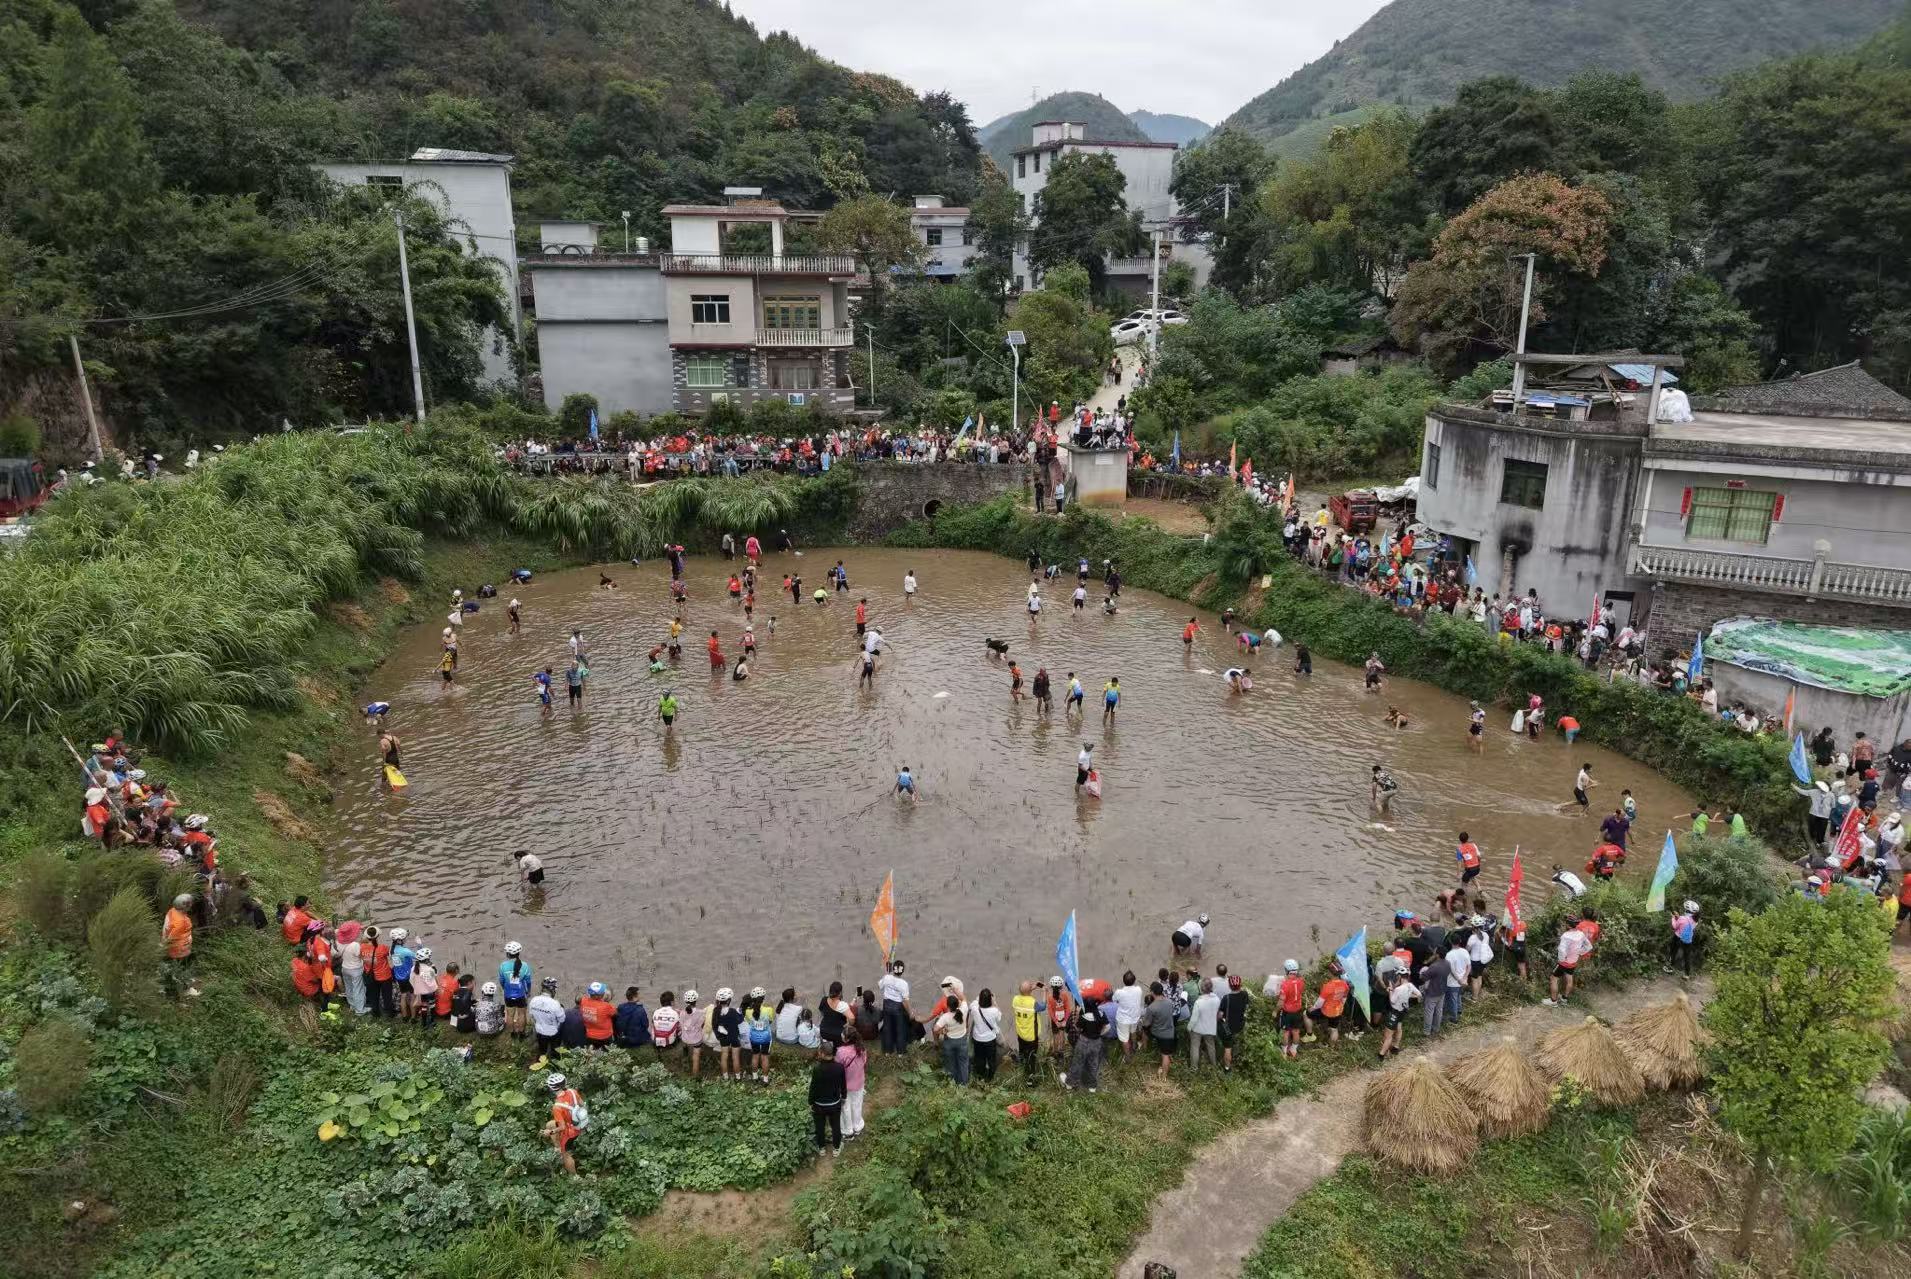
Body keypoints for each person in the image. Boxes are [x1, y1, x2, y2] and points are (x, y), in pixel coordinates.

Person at [1065, 990, 1109, 1091]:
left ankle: (1070, 1083)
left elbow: (1077, 1028)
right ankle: (1092, 1086)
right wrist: (1099, 1033)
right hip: (1097, 1042)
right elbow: (1108, 1027)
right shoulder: (1101, 1014)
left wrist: (1076, 1017)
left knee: (1077, 1062)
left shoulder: (1084, 1017)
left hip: (1083, 1042)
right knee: (1093, 1064)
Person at [809, 1044, 847, 1155]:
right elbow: (843, 1085)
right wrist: (843, 1097)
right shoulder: (839, 1068)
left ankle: (822, 1149)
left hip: (819, 1105)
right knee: (835, 1126)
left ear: (822, 1053)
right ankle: (836, 1148)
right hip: (834, 1103)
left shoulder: (817, 1069)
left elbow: (813, 1088)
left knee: (819, 1127)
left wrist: (810, 1102)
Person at [1544, 918, 1591, 1005]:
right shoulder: (1581, 934)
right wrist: (1579, 952)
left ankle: (1553, 1001)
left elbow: (1562, 950)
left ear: (1568, 925)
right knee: (1569, 979)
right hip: (1573, 962)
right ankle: (1564, 999)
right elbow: (1589, 946)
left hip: (1564, 962)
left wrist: (1561, 960)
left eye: (1566, 924)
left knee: (1553, 978)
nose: (1565, 925)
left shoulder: (1566, 936)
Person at [545, 1072, 585, 1175]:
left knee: (566, 1155)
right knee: (550, 1124)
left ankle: (574, 1177)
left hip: (571, 1131)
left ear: (551, 1088)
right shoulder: (573, 1092)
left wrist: (550, 1132)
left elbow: (562, 1127)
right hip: (582, 1123)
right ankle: (557, 1147)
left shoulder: (557, 1107)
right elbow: (582, 1104)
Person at [162, 893, 200, 998]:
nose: (191, 906)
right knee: (183, 969)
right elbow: (172, 937)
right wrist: (164, 946)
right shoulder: (181, 921)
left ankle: (176, 985)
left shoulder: (172, 911)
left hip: (176, 949)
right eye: (190, 904)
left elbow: (168, 932)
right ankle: (185, 989)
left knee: (175, 969)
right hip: (179, 951)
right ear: (185, 906)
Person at [836, 1025, 868, 1138]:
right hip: (859, 1082)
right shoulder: (862, 1048)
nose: (841, 1035)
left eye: (843, 1034)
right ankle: (857, 1126)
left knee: (845, 1107)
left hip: (845, 1085)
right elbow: (864, 1063)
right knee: (857, 1104)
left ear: (846, 1038)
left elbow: (838, 1068)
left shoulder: (840, 1052)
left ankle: (847, 1130)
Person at [1141, 980, 1177, 1078]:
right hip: (1170, 1032)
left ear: (1152, 992)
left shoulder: (1151, 1007)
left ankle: (1144, 1050)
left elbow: (1146, 1024)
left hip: (1158, 1033)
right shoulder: (1169, 1002)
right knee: (1166, 1054)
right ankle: (1164, 1076)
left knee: (1144, 1031)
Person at [1309, 962, 1352, 1045]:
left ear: (1330, 973)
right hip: (1338, 1010)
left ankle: (1309, 1035)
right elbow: (1344, 998)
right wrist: (1341, 1005)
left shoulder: (1328, 986)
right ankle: (1331, 1045)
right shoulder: (1345, 984)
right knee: (1334, 1029)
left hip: (1326, 1011)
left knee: (1306, 1014)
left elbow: (1319, 1003)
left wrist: (1313, 1008)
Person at [500, 941, 534, 1039]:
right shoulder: (525, 965)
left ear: (507, 954)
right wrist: (528, 992)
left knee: (510, 1015)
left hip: (508, 995)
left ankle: (513, 1034)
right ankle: (522, 1035)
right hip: (521, 995)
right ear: (519, 953)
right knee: (522, 1014)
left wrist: (504, 988)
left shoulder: (503, 966)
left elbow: (501, 980)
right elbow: (528, 982)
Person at [1186, 978, 1221, 1073]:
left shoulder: (1199, 1002)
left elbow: (1193, 1019)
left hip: (1197, 1029)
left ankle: (1194, 1068)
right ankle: (1214, 1066)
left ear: (1201, 989)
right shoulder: (1217, 1000)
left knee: (1195, 1047)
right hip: (1210, 1028)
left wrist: (1189, 1028)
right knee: (1211, 1046)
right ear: (1211, 988)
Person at [878, 960, 912, 1055]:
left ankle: (887, 1051)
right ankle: (900, 1052)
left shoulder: (887, 977)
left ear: (893, 969)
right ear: (902, 971)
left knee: (887, 1028)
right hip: (897, 1007)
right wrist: (910, 1012)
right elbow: (905, 1001)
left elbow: (879, 986)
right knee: (900, 1029)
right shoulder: (904, 984)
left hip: (887, 1005)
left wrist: (886, 975)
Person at [933, 999, 971, 1085]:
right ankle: (964, 1084)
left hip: (950, 1042)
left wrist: (942, 1032)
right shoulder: (963, 1010)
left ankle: (952, 1083)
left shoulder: (945, 1017)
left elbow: (935, 1029)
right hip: (962, 1041)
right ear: (958, 1004)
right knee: (963, 1063)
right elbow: (964, 998)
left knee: (950, 1063)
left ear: (948, 1006)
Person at [1275, 960, 1306, 1059]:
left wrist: (1275, 1011)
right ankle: (1293, 1050)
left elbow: (1281, 1001)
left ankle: (1284, 1052)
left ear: (1286, 970)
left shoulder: (1285, 984)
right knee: (1296, 1031)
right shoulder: (1301, 981)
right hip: (1298, 1011)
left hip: (1287, 1012)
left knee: (1285, 1032)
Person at [1219, 973, 1250, 1070]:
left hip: (1228, 1027)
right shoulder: (1245, 994)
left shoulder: (1226, 998)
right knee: (1236, 1039)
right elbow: (1247, 1006)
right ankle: (1238, 1056)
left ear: (1229, 985)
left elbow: (1220, 1015)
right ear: (1240, 985)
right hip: (1240, 1024)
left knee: (1227, 1048)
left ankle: (1227, 1068)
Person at [1012, 981, 1042, 1081]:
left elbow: (1023, 994)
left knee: (1022, 1053)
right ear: (1030, 991)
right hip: (1031, 1036)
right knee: (1032, 1058)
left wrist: (1029, 990)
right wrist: (1045, 992)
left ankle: (1021, 1072)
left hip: (1020, 1034)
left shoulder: (1015, 999)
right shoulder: (1033, 1002)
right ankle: (1030, 1081)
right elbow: (1043, 1007)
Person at [529, 977, 565, 1055]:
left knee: (542, 1051)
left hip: (539, 1030)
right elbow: (562, 1020)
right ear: (552, 990)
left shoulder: (533, 1000)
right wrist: (561, 1009)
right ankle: (555, 1057)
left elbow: (532, 1016)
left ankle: (540, 1060)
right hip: (553, 1032)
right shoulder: (555, 1003)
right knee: (555, 1050)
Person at [1666, 901, 1701, 977]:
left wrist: (1673, 918)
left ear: (1687, 911)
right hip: (1688, 940)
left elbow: (1675, 926)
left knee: (1673, 952)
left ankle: (1670, 968)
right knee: (1687, 956)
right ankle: (1687, 974)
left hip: (1678, 938)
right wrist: (1678, 917)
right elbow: (1685, 923)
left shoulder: (1682, 918)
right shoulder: (1696, 920)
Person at [615, 986, 649, 1051]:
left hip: (623, 1037)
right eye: (638, 994)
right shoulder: (640, 1010)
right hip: (636, 1039)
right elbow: (646, 1025)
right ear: (635, 996)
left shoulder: (620, 1007)